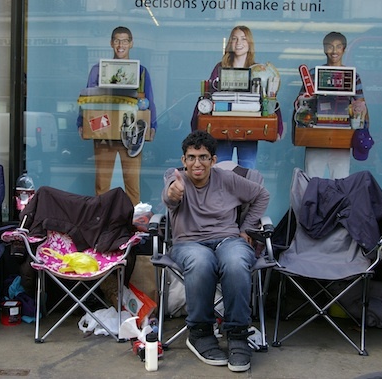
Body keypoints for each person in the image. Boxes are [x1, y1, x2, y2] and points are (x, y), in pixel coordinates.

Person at [162, 130, 269, 372]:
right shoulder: (175, 177)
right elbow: (170, 197)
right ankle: (199, 333)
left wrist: (247, 228)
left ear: (213, 160)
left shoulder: (227, 179)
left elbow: (262, 195)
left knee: (237, 261)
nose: (196, 163)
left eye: (203, 157)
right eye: (191, 157)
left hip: (227, 239)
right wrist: (173, 193)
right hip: (188, 243)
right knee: (201, 262)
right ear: (183, 160)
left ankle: (238, 334)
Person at [77, 26, 157, 206]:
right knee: (102, 183)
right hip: (104, 132)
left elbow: (150, 100)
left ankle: (134, 225)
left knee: (133, 184)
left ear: (131, 43)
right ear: (111, 43)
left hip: (132, 132)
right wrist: (81, 122)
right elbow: (87, 99)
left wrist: (152, 126)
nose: (121, 45)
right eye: (117, 40)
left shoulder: (141, 71)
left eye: (125, 41)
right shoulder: (98, 70)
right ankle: (101, 223)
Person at [190, 26, 283, 169]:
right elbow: (208, 95)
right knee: (220, 172)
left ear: (250, 43)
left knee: (247, 174)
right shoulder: (220, 67)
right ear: (229, 43)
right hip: (222, 128)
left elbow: (270, 98)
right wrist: (196, 126)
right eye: (234, 38)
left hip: (249, 128)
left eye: (243, 39)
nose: (238, 42)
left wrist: (278, 129)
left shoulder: (259, 70)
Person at [296, 31, 370, 179]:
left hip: (342, 135)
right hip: (316, 134)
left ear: (344, 49)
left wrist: (359, 115)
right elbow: (301, 103)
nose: (334, 51)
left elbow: (361, 105)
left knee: (340, 181)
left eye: (338, 47)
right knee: (312, 179)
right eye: (330, 46)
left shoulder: (353, 77)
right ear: (324, 49)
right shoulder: (312, 74)